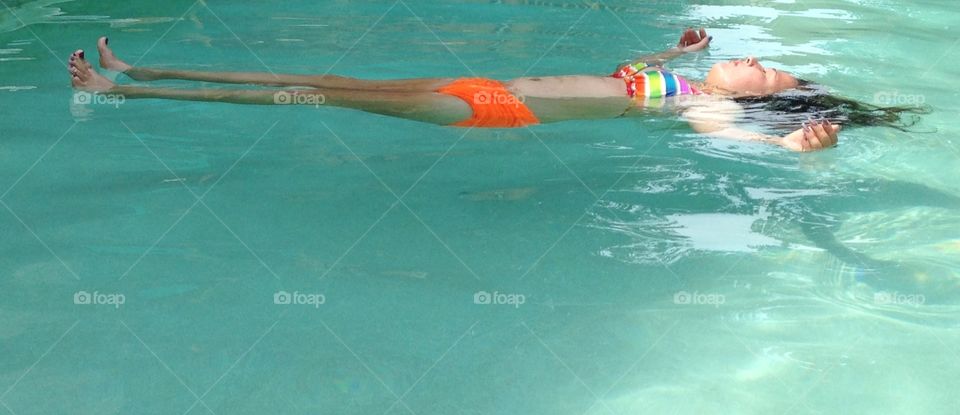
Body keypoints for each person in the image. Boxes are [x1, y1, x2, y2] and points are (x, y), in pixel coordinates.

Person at [68, 30, 914, 152]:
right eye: (762, 64)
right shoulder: (683, 71)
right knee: (323, 80)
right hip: (482, 87)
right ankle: (140, 73)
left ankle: (126, 94)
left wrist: (784, 142)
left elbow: (715, 133)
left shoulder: (704, 103)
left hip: (492, 108)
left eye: (770, 75)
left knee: (316, 95)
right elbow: (643, 73)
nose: (758, 64)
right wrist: (675, 47)